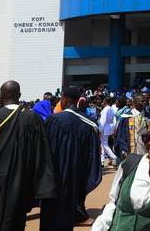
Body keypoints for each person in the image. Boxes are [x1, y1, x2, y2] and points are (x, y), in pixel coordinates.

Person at [0, 80, 57, 231]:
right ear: (19, 95)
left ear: (1, 96)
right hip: (21, 180)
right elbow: (41, 152)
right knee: (15, 218)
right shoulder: (33, 119)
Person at [41, 86, 102, 231]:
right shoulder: (88, 123)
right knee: (69, 212)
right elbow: (92, 156)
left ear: (65, 100)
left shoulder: (55, 119)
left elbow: (46, 151)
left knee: (51, 215)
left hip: (55, 177)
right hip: (76, 178)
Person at [114, 93, 150, 159]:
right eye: (142, 101)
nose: (144, 103)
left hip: (144, 148)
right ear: (135, 103)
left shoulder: (148, 116)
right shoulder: (127, 116)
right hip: (131, 148)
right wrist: (124, 149)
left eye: (145, 101)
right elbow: (121, 134)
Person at [99, 97, 118, 167]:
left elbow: (103, 121)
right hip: (108, 128)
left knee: (104, 145)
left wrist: (99, 129)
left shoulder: (106, 109)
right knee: (104, 144)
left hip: (104, 128)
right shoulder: (110, 109)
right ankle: (102, 160)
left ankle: (114, 157)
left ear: (105, 101)